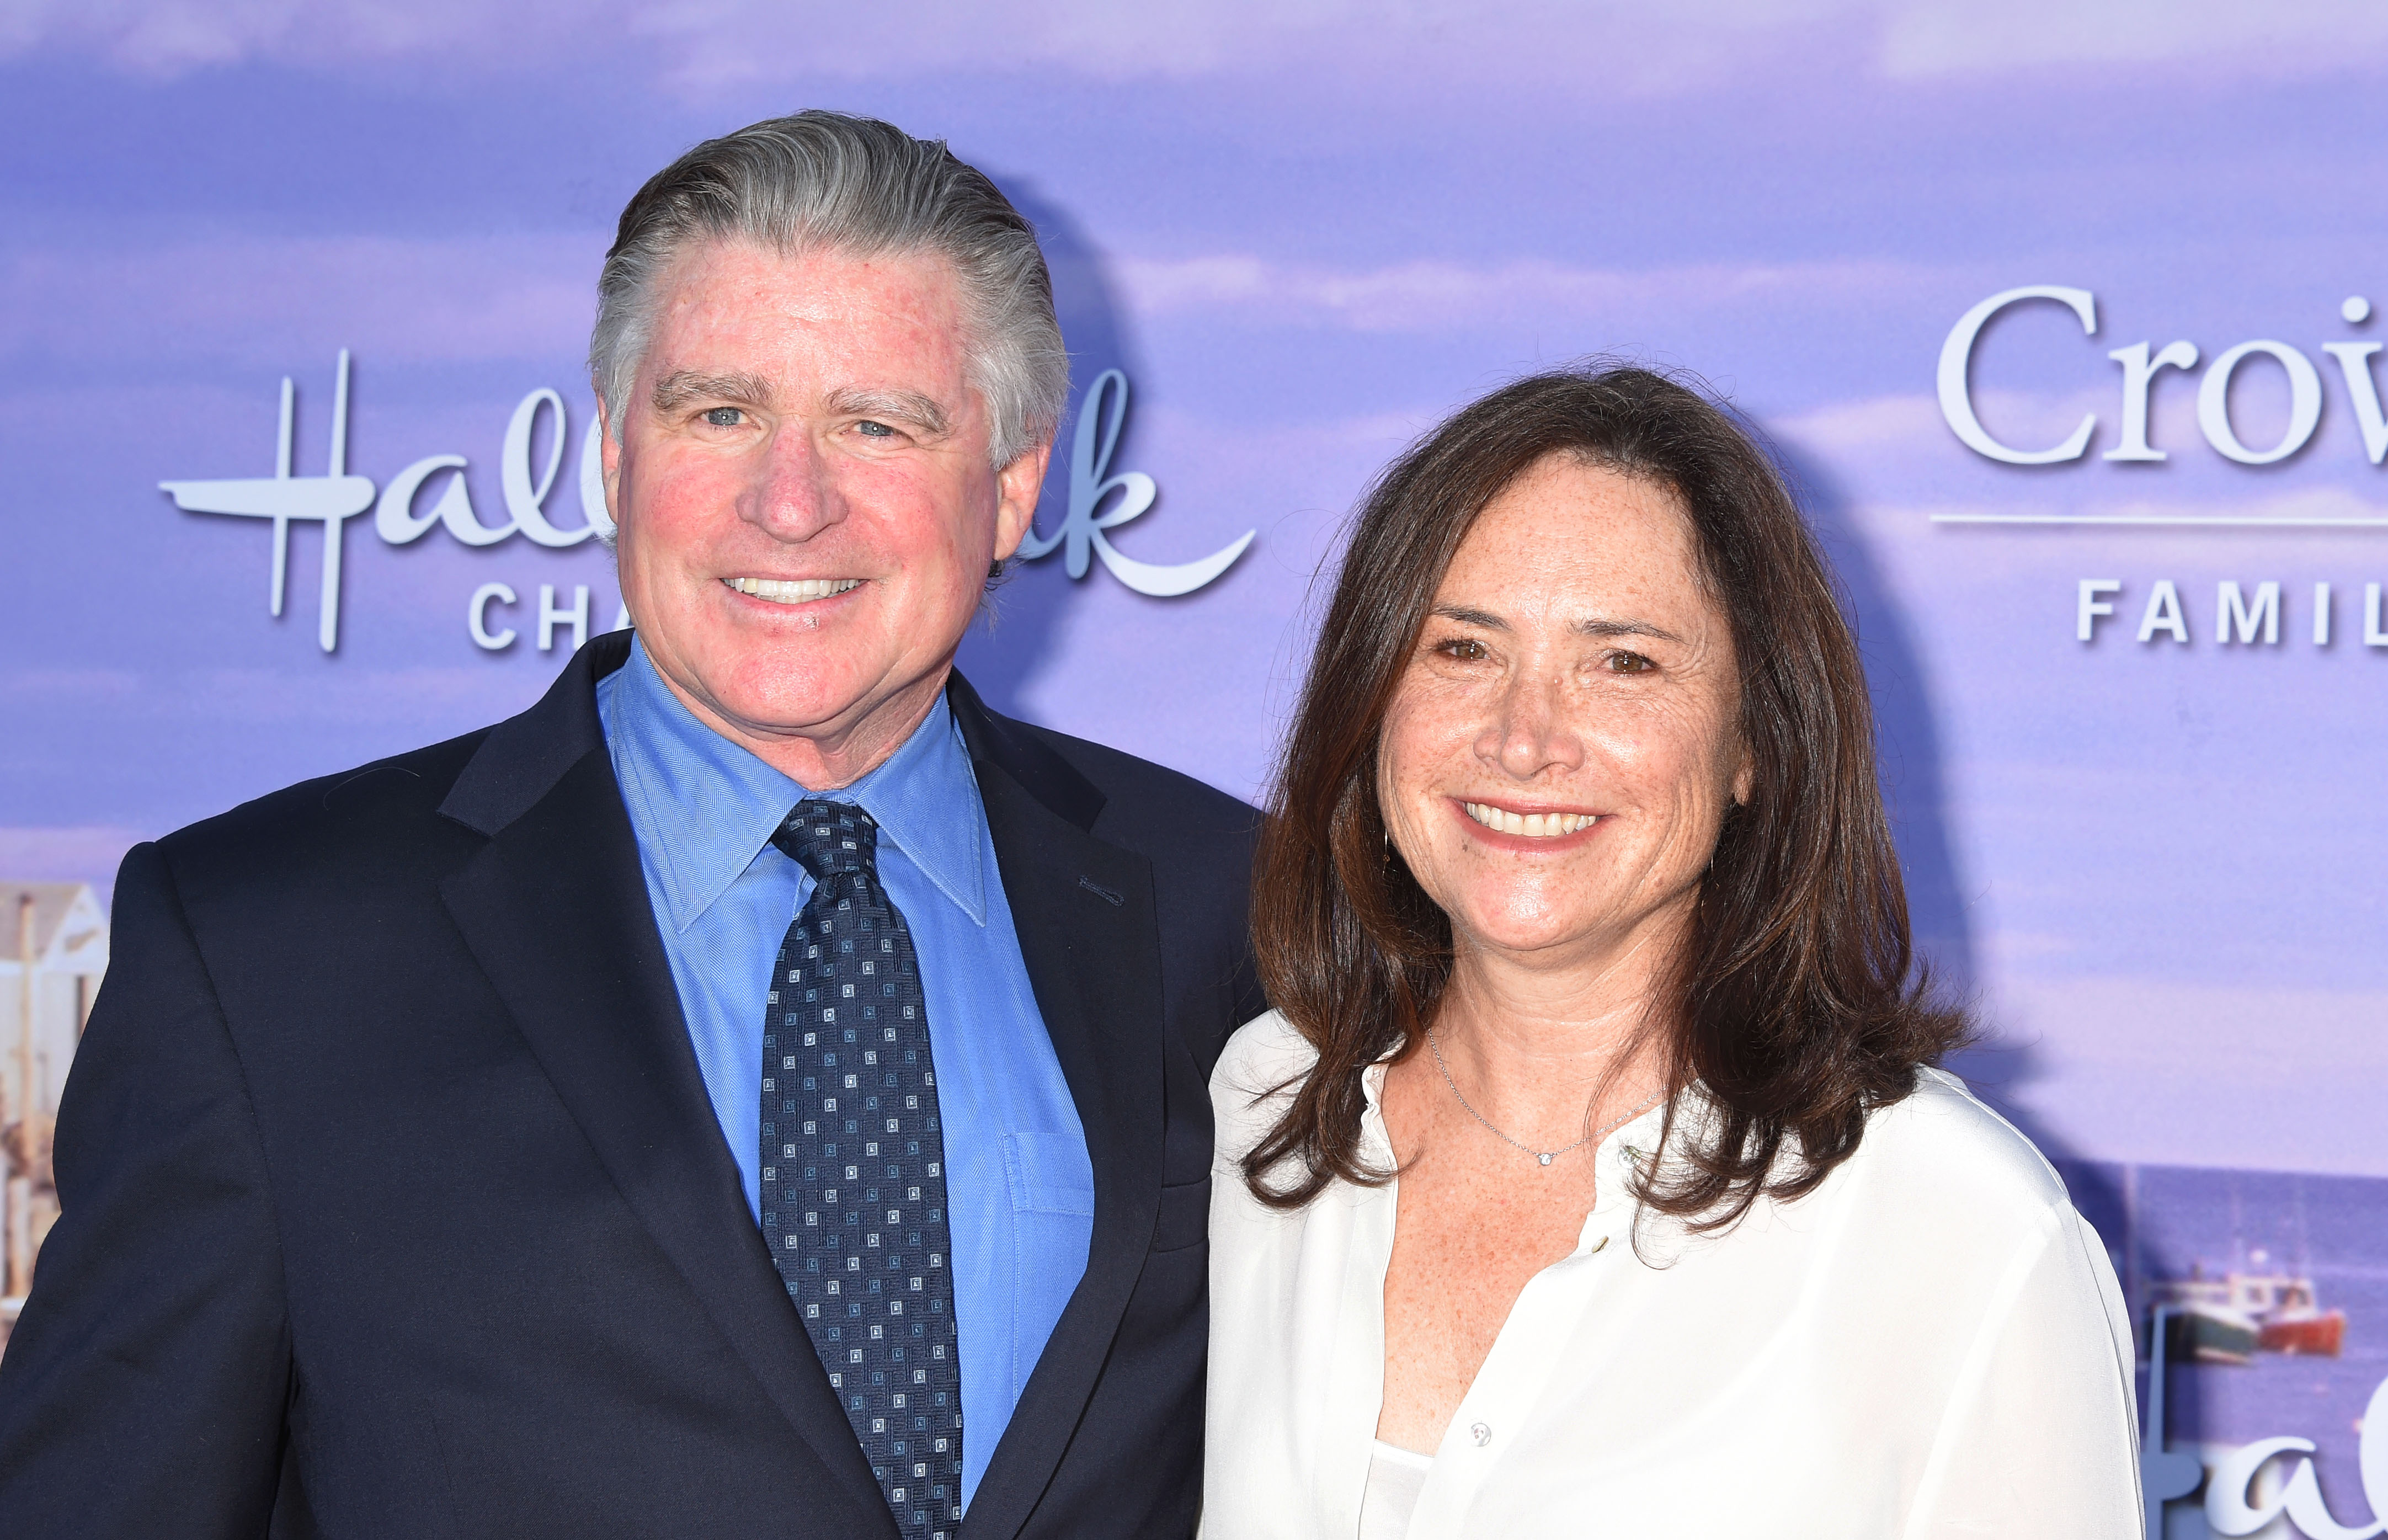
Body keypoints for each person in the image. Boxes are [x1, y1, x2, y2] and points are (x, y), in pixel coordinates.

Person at [0, 111, 1260, 1540]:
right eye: (719, 412)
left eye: (877, 422)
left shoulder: (1237, 911)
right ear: (611, 452)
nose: (791, 503)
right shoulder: (263, 950)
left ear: (1017, 484)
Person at [1204, 366, 2141, 1538]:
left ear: (1755, 743)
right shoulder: (1263, 1107)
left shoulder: (1958, 1227)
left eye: (1626, 662)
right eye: (1461, 649)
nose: (1524, 737)